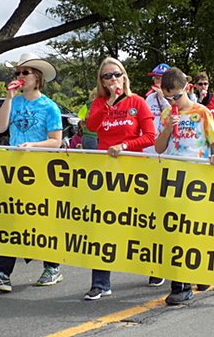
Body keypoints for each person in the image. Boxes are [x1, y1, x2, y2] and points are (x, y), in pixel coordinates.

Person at [0, 53, 64, 292]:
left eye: (24, 73)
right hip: (15, 169)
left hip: (40, 170)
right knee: (11, 219)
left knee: (41, 219)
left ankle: (52, 267)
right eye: (17, 73)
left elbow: (55, 141)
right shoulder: (14, 102)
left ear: (37, 78)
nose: (19, 76)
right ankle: (2, 274)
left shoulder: (49, 106)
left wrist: (32, 146)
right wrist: (8, 97)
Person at [84, 57, 155, 300]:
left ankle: (155, 267)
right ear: (102, 82)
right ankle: (100, 283)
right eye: (107, 76)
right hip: (107, 174)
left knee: (140, 225)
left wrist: (126, 145)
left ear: (124, 76)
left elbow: (150, 137)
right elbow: (92, 127)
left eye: (116, 74)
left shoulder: (138, 102)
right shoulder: (99, 103)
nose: (113, 79)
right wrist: (111, 102)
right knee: (103, 226)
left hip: (135, 173)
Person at [154, 67, 214, 305]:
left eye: (176, 96)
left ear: (187, 89)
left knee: (196, 230)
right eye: (168, 98)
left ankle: (201, 270)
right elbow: (159, 148)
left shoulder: (202, 112)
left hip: (197, 178)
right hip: (173, 178)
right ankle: (180, 285)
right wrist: (168, 128)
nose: (173, 102)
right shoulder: (166, 116)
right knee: (176, 230)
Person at [144, 63, 171, 153]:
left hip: (166, 146)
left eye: (159, 78)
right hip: (149, 146)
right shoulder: (150, 97)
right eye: (155, 78)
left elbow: (173, 115)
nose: (156, 81)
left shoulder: (175, 97)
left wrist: (162, 98)